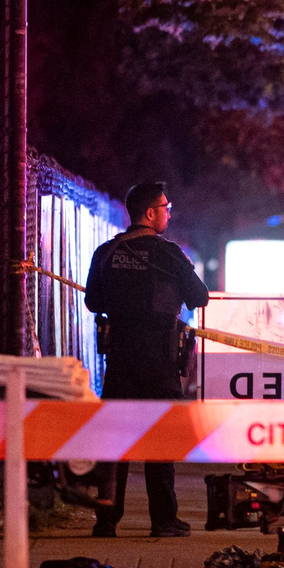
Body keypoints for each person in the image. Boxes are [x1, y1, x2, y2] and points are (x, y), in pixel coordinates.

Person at [84, 183, 209, 537]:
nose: (169, 212)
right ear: (150, 213)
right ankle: (163, 520)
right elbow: (199, 296)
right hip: (160, 360)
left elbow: (93, 301)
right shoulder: (169, 254)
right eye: (166, 207)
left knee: (115, 441)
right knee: (161, 436)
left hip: (120, 360)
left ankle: (106, 520)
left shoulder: (107, 252)